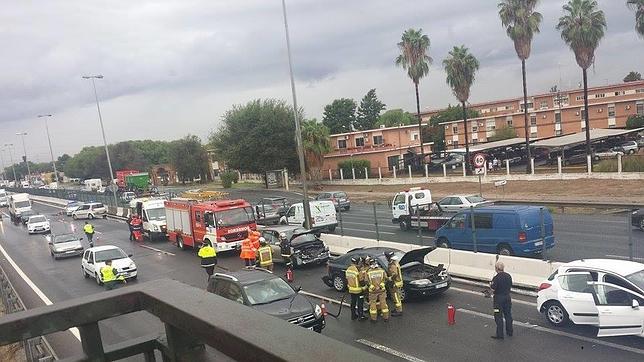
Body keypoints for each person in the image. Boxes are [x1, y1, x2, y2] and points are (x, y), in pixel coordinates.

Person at [490, 261, 513, 339]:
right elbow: (510, 285)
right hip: (507, 298)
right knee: (508, 315)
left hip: (498, 300)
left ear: (496, 268)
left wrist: (491, 285)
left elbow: (493, 289)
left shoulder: (496, 278)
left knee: (498, 316)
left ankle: (500, 334)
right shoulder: (508, 276)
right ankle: (510, 331)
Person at [367, 258, 389, 323]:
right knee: (383, 303)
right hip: (381, 290)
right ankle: (386, 318)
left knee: (373, 304)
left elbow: (366, 281)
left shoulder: (368, 272)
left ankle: (374, 319)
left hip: (373, 291)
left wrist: (373, 287)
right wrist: (381, 286)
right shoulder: (382, 271)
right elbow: (385, 279)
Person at [385, 251, 403, 316]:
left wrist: (390, 279)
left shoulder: (392, 265)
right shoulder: (395, 262)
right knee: (397, 296)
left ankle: (399, 311)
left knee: (396, 297)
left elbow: (394, 274)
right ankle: (397, 308)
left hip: (395, 283)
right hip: (397, 282)